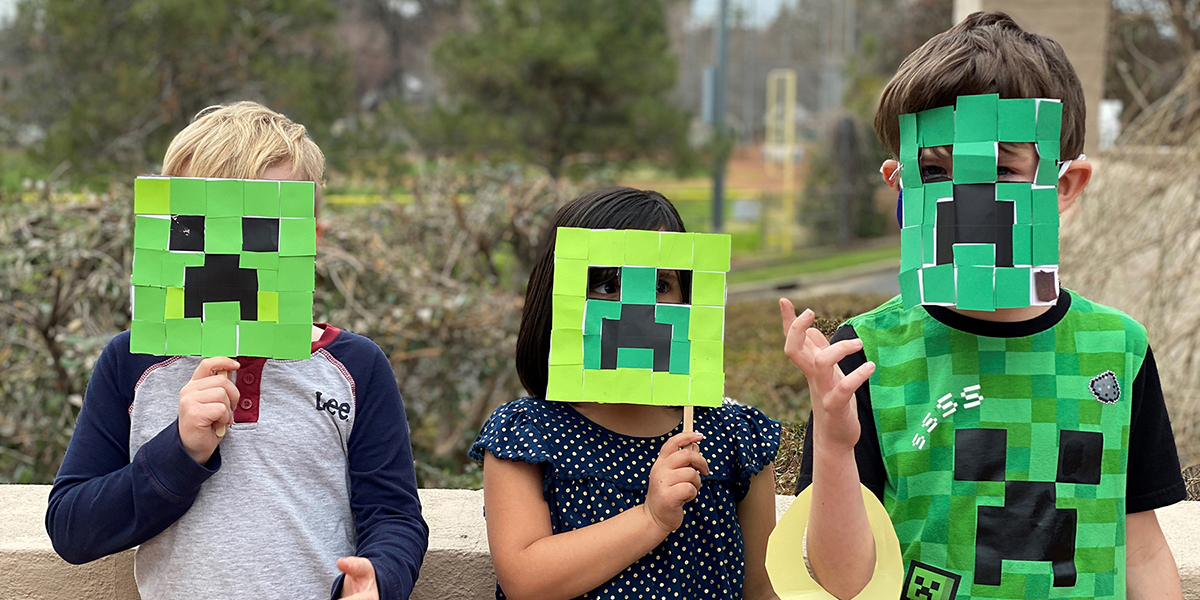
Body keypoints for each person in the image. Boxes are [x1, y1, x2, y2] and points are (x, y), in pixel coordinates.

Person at [784, 13, 1187, 600]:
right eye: (934, 171)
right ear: (902, 186)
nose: (967, 201)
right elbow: (844, 582)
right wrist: (833, 438)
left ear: (1064, 186)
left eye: (999, 169)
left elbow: (1143, 552)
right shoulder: (863, 355)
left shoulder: (1118, 349)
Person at [45, 102, 428, 600]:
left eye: (263, 229)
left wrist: (382, 576)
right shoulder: (131, 362)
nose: (229, 255)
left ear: (309, 237)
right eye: (197, 227)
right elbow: (72, 528)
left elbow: (394, 514)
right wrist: (179, 450)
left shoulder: (355, 367)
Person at [470, 187, 781, 600]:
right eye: (606, 284)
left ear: (690, 300)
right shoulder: (527, 434)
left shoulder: (735, 438)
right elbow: (526, 579)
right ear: (558, 296)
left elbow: (761, 589)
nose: (635, 310)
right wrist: (651, 517)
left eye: (661, 284)